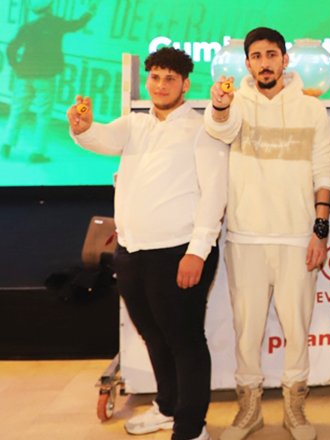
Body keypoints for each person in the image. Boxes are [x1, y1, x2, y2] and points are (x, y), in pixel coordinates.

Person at [68, 47, 227, 440]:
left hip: (179, 253)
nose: (160, 85)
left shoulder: (203, 129)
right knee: (154, 336)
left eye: (170, 78)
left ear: (185, 85)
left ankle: (191, 428)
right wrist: (82, 127)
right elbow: (100, 138)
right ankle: (168, 407)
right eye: (155, 76)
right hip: (131, 253)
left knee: (185, 341)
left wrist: (197, 252)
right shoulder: (135, 123)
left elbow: (215, 196)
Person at [204, 27, 330, 440]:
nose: (265, 63)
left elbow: (324, 169)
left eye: (272, 55)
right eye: (257, 56)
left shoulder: (311, 108)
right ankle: (250, 410)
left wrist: (319, 229)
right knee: (247, 331)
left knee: (297, 329)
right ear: (247, 63)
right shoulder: (235, 102)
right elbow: (220, 129)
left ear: (284, 60)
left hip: (298, 237)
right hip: (245, 237)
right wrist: (220, 106)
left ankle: (295, 410)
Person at [4, 0, 95, 162]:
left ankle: (7, 144)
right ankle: (38, 152)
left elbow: (11, 48)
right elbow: (76, 25)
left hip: (25, 75)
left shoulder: (28, 27)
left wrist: (17, 67)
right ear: (49, 9)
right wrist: (90, 13)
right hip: (46, 76)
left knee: (18, 110)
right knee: (43, 114)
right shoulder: (56, 24)